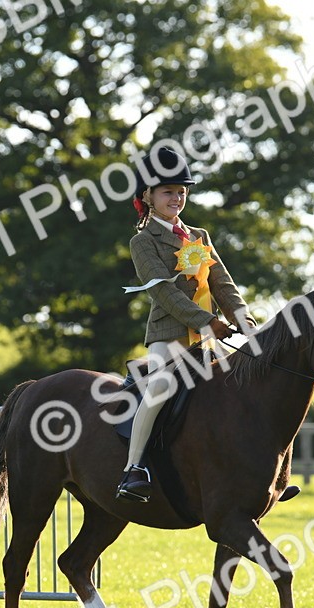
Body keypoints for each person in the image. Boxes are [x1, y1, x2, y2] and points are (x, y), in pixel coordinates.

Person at [116, 146, 254, 502]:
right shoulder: (143, 242)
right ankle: (134, 468)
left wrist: (245, 320)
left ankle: (256, 468)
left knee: (246, 383)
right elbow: (163, 292)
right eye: (168, 192)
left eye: (181, 192)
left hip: (209, 339)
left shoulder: (199, 236)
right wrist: (207, 321)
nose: (176, 198)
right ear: (148, 196)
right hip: (169, 336)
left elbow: (223, 284)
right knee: (160, 388)